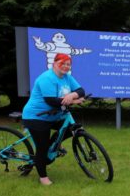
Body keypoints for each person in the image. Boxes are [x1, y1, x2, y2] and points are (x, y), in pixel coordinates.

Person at [22, 53, 86, 185]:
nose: (66, 66)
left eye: (68, 64)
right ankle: (43, 177)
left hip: (54, 115)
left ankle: (54, 146)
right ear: (54, 63)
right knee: (42, 147)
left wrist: (73, 94)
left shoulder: (67, 77)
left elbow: (81, 90)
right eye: (62, 63)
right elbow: (51, 101)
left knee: (73, 129)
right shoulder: (47, 78)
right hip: (36, 117)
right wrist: (74, 101)